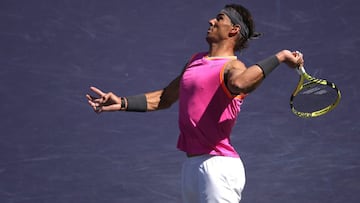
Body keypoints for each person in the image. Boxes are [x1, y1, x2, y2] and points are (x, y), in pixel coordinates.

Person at [86, 4, 304, 203]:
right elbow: (165, 97)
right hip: (191, 166)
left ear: (234, 30)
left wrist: (282, 56)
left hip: (218, 167)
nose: (211, 21)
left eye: (219, 18)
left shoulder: (233, 67)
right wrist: (123, 102)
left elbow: (241, 83)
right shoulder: (195, 61)